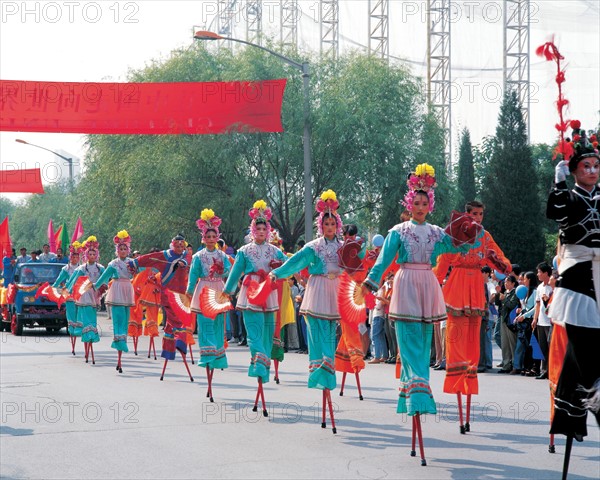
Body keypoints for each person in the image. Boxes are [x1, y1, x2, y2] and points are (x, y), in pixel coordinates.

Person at [362, 163, 477, 464]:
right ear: (409, 203)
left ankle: (419, 390)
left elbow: (459, 244)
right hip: (405, 284)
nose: (421, 206)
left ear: (431, 205)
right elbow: (384, 261)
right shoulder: (398, 232)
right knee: (408, 345)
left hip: (427, 282)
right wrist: (369, 284)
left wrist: (471, 231)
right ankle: (414, 391)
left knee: (424, 344)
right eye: (417, 202)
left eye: (426, 202)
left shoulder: (437, 233)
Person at [547, 126, 600, 464]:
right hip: (578, 280)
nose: (592, 171)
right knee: (583, 353)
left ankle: (578, 405)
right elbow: (554, 213)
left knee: (579, 364)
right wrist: (558, 182)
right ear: (575, 169)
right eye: (586, 166)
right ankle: (594, 399)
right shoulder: (570, 196)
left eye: (597, 166)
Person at [434, 200, 511, 433]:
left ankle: (468, 385)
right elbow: (441, 264)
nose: (478, 218)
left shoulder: (485, 236)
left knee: (472, 348)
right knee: (455, 343)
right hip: (456, 288)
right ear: (467, 214)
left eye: (481, 214)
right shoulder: (455, 233)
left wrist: (498, 261)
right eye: (474, 214)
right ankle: (456, 388)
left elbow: (504, 263)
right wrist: (430, 286)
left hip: (476, 291)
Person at [271, 190, 344, 431]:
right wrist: (277, 273)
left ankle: (327, 370)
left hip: (335, 294)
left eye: (333, 223)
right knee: (317, 335)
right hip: (317, 290)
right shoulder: (313, 247)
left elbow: (359, 264)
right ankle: (320, 373)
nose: (330, 226)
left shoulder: (345, 247)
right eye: (326, 223)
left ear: (338, 225)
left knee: (330, 335)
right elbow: (295, 263)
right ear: (321, 225)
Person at [223, 200, 287, 415]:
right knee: (254, 333)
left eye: (264, 229)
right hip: (250, 291)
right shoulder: (244, 251)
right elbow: (235, 273)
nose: (260, 231)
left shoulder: (275, 251)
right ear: (252, 231)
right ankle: (258, 363)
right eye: (257, 228)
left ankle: (263, 366)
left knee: (267, 334)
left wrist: (291, 271)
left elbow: (289, 265)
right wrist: (227, 290)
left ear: (268, 231)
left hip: (268, 293)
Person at [133, 234, 193, 381]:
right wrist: (135, 262)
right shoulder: (164, 256)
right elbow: (149, 258)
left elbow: (188, 260)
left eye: (182, 245)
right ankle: (180, 342)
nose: (180, 247)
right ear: (172, 245)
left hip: (182, 294)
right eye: (177, 245)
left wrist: (183, 262)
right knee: (175, 320)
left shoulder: (186, 255)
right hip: (166, 294)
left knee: (175, 322)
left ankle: (169, 350)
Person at [186, 208, 231, 401]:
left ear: (217, 237)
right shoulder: (197, 257)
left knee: (217, 326)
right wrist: (188, 293)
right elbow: (193, 276)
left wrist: (222, 271)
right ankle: (208, 357)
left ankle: (216, 357)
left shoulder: (222, 256)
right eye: (208, 236)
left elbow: (230, 272)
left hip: (218, 290)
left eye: (214, 236)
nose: (211, 238)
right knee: (205, 327)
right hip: (203, 289)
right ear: (203, 238)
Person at [94, 230, 136, 373]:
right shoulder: (113, 264)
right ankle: (119, 343)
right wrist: (95, 286)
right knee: (117, 320)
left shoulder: (132, 263)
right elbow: (104, 277)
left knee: (126, 320)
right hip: (117, 289)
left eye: (125, 249)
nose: (123, 251)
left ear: (128, 250)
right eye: (120, 249)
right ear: (117, 251)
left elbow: (143, 269)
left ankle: (122, 342)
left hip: (128, 290)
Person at [66, 236, 105, 365]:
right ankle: (87, 339)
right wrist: (67, 290)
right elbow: (73, 281)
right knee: (85, 320)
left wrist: (103, 288)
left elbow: (107, 279)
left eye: (94, 253)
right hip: (83, 296)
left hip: (94, 295)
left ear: (97, 255)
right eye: (90, 253)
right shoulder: (81, 268)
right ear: (86, 255)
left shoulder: (100, 268)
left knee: (92, 319)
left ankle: (90, 338)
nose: (92, 255)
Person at [52, 242, 82, 355]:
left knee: (80, 315)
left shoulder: (82, 268)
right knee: (71, 316)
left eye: (77, 257)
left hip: (80, 293)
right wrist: (52, 288)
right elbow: (59, 280)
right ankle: (72, 337)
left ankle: (80, 332)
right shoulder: (66, 268)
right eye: (73, 257)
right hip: (69, 293)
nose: (75, 259)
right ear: (70, 257)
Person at [533, 262, 553, 380]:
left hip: (550, 322)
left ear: (546, 273)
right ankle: (544, 370)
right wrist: (535, 319)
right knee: (543, 348)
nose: (538, 274)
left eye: (540, 272)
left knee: (551, 347)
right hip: (541, 321)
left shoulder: (552, 286)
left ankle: (552, 371)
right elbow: (538, 304)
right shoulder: (540, 287)